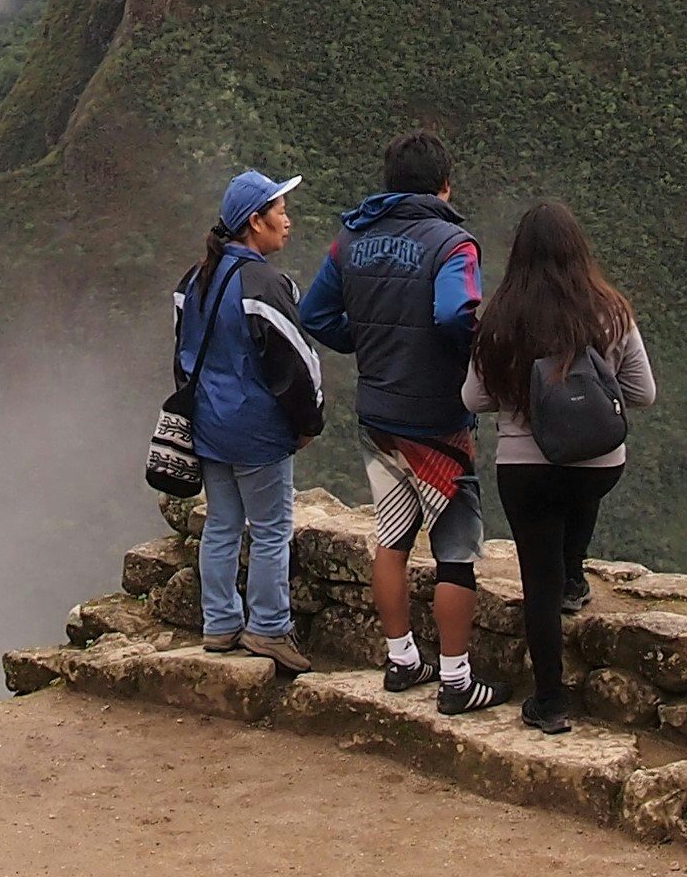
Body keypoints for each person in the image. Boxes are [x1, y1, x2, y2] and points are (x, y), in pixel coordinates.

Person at [299, 129, 502, 714]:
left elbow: (315, 313)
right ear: (444, 186)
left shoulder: (350, 240)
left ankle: (401, 658)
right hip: (439, 421)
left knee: (391, 538)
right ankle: (457, 680)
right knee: (455, 549)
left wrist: (362, 342)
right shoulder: (453, 245)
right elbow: (453, 313)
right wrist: (471, 359)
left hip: (378, 414)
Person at [465, 199, 656, 732]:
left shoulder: (500, 318)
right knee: (581, 487)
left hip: (525, 469)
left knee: (537, 584)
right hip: (598, 462)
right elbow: (643, 392)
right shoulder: (611, 311)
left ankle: (549, 702)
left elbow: (473, 398)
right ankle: (575, 572)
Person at [173, 168, 323, 667]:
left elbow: (184, 356)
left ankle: (219, 624)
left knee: (221, 526)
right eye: (280, 211)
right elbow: (296, 366)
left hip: (210, 426)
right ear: (254, 222)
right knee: (271, 530)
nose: (288, 220)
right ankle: (269, 629)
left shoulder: (194, 279)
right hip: (257, 432)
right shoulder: (263, 284)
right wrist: (307, 424)